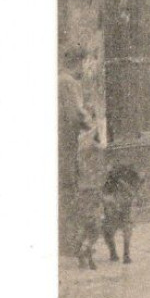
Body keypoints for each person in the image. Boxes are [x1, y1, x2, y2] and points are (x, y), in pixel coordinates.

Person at [58, 45, 96, 259]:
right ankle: (70, 244)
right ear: (77, 62)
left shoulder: (60, 80)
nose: (85, 67)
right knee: (70, 191)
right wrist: (92, 125)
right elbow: (77, 116)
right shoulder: (69, 83)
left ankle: (67, 242)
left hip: (62, 145)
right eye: (84, 62)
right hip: (67, 147)